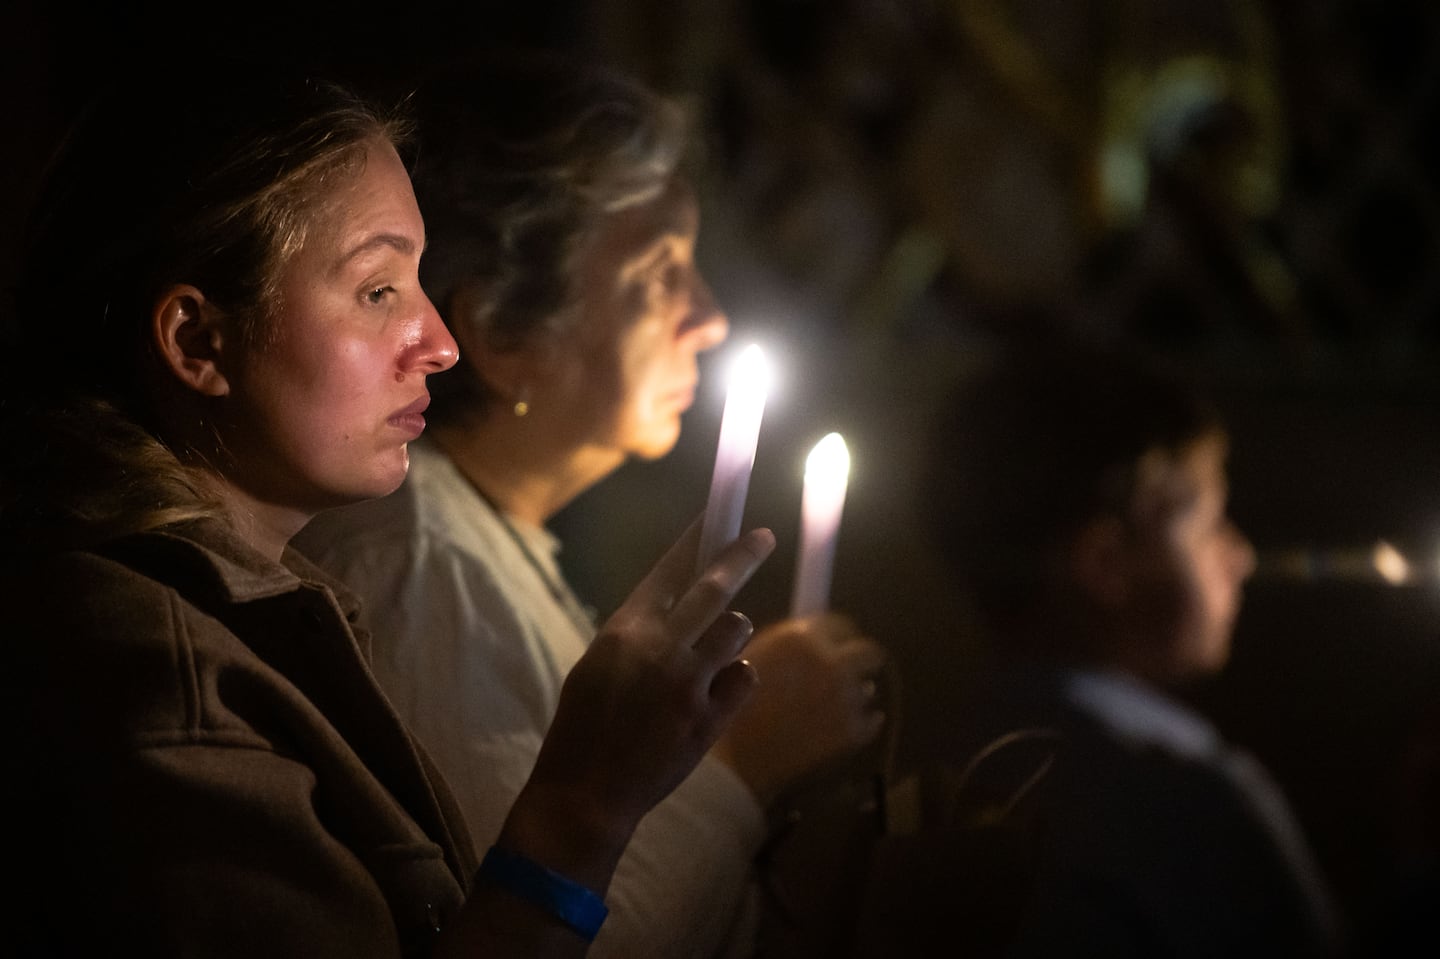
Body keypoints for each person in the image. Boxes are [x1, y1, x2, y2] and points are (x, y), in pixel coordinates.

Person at [0, 60, 779, 958]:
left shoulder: (263, 617)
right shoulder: (160, 691)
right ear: (197, 340)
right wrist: (582, 806)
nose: (442, 343)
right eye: (380, 292)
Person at [293, 52, 889, 959]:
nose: (711, 317)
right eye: (659, 276)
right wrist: (744, 767)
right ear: (500, 333)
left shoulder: (482, 545)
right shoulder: (412, 565)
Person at [852, 339, 1344, 957]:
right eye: (1209, 522)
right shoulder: (1189, 803)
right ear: (1106, 564)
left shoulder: (922, 772)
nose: (1239, 555)